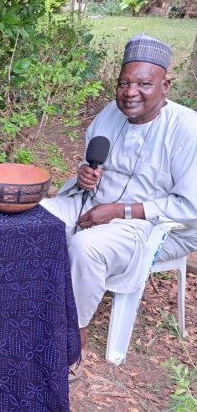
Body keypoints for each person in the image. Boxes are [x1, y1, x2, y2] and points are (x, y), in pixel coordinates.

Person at [40, 34, 197, 379]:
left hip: (150, 226)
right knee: (33, 222)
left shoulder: (187, 129)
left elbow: (191, 207)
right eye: (124, 83)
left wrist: (118, 211)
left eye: (143, 83)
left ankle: (72, 343)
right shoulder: (110, 113)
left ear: (165, 85)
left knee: (86, 246)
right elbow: (92, 161)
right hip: (93, 203)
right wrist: (85, 176)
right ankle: (29, 310)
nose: (130, 92)